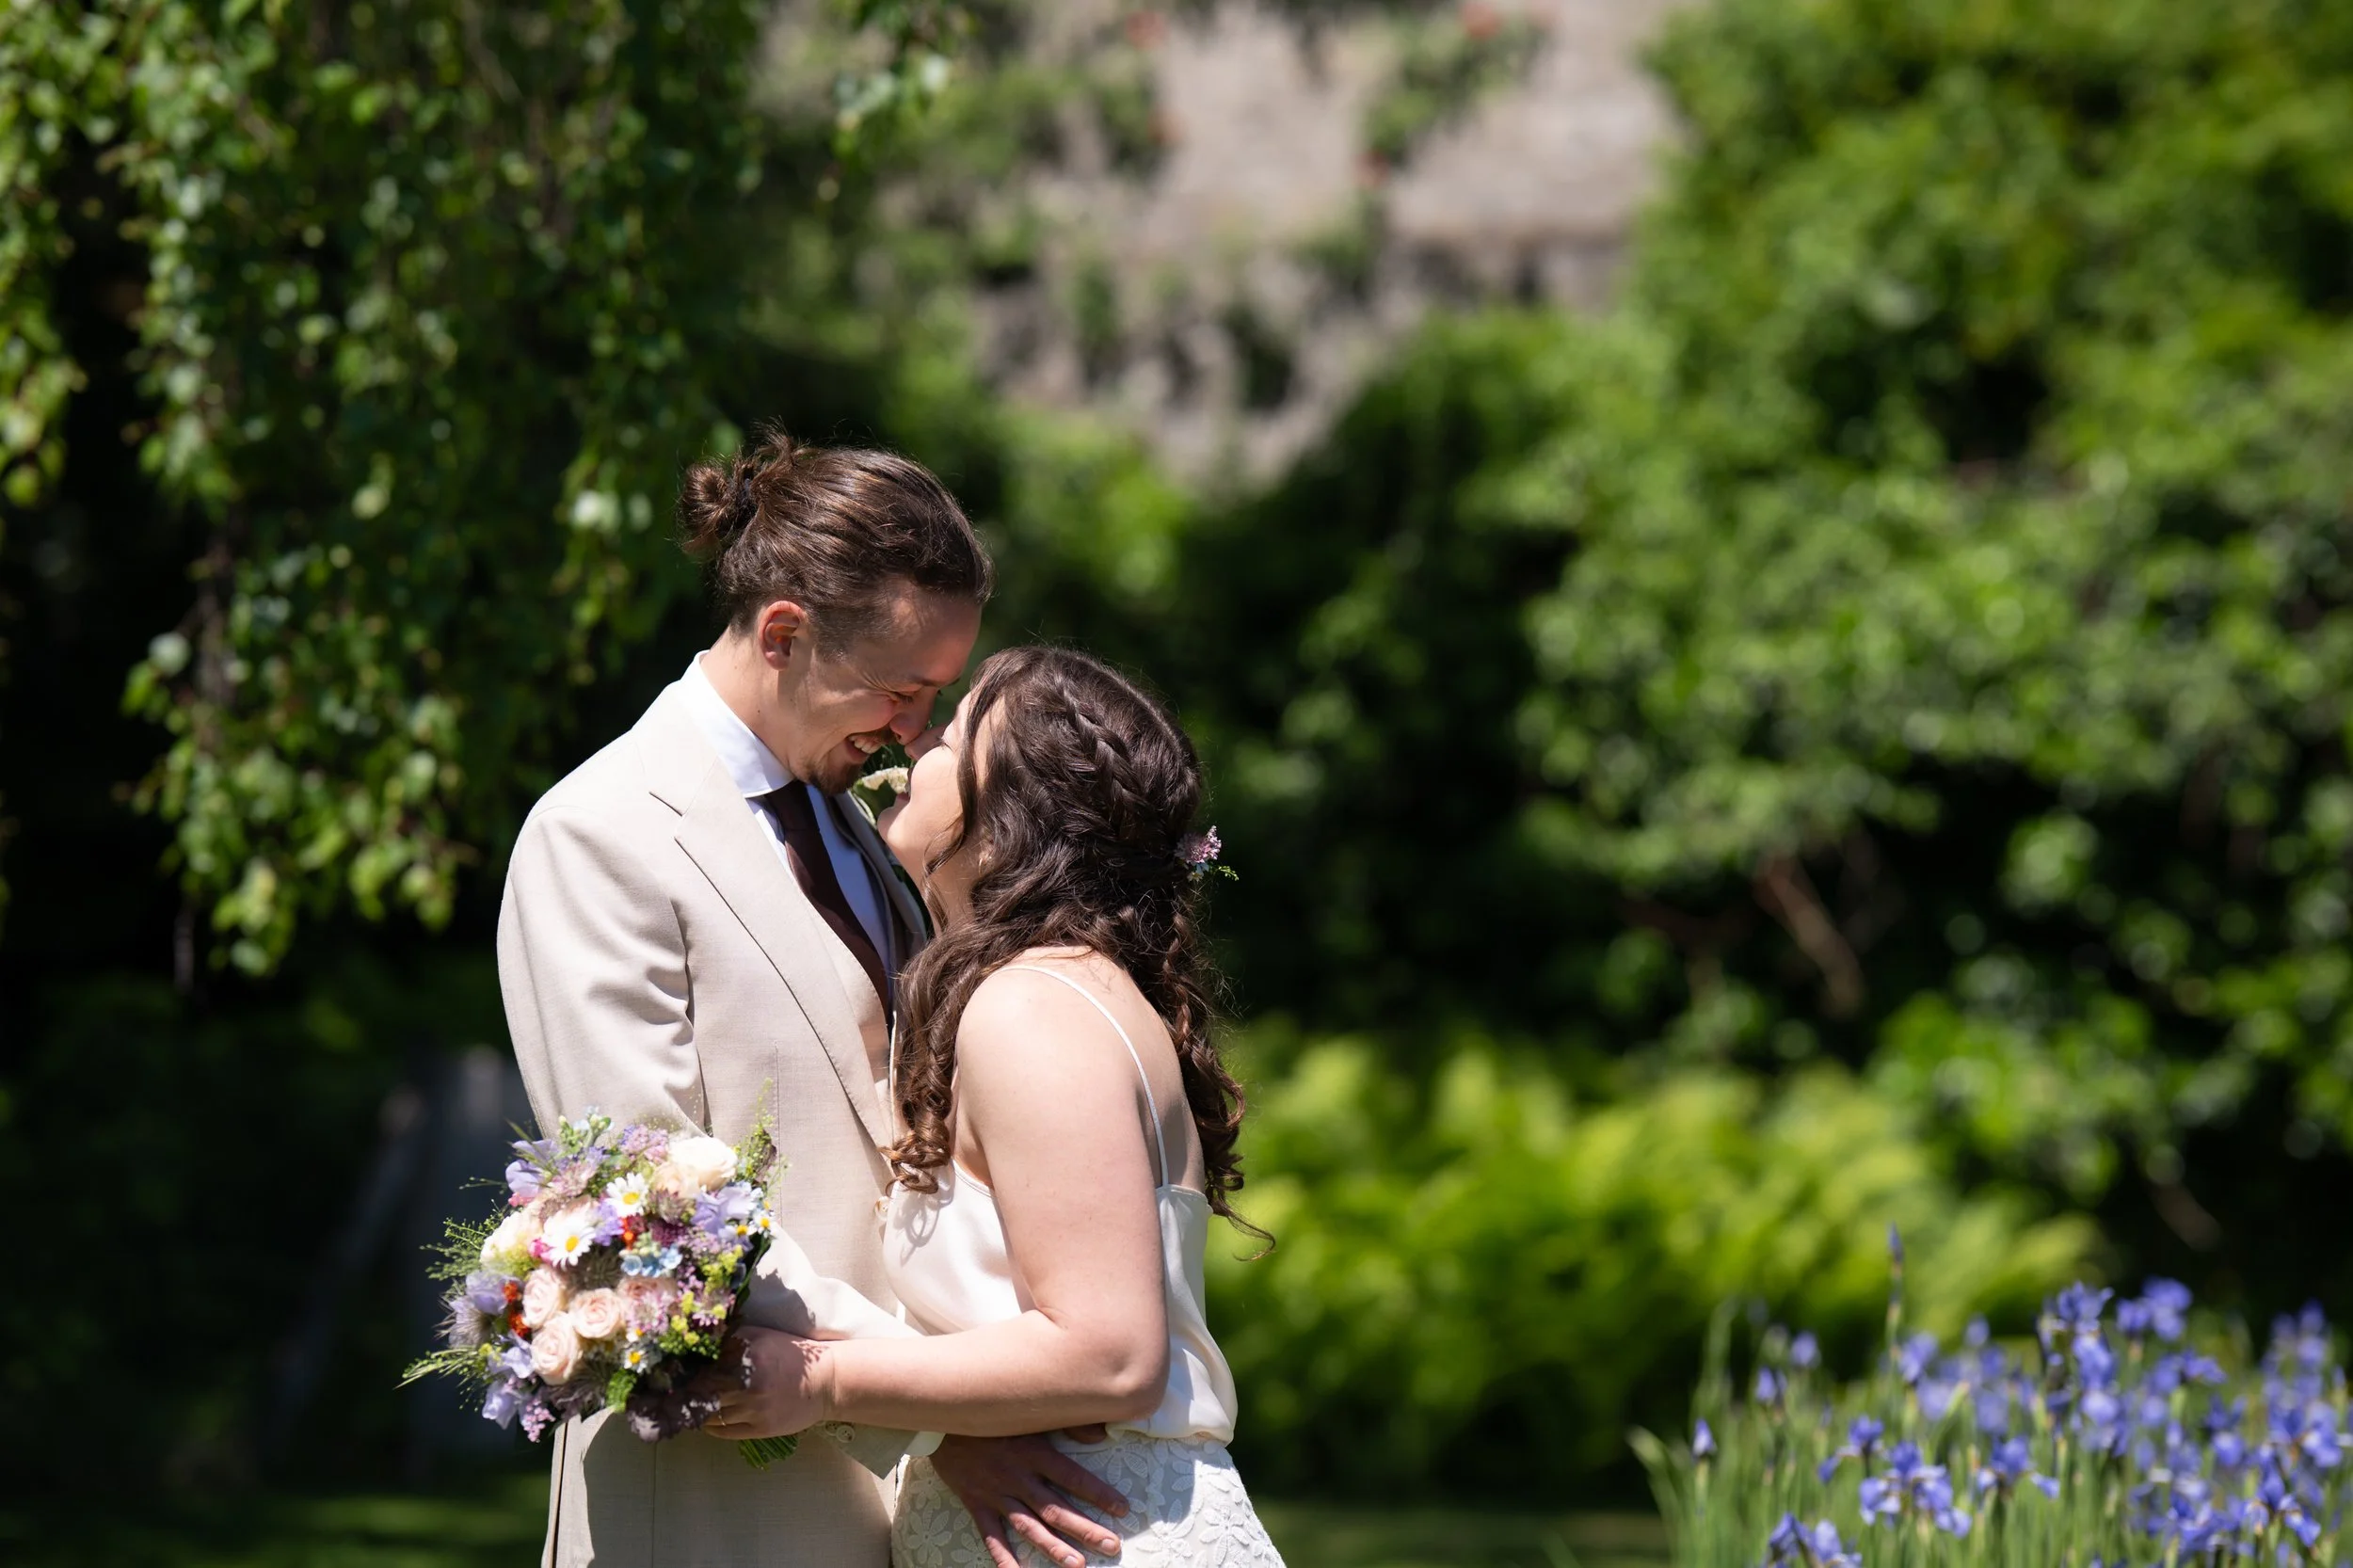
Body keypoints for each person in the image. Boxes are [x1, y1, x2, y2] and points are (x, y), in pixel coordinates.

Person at [500, 436, 1130, 1568]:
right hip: (715, 1502)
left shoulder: (860, 833)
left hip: (908, 1505)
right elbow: (655, 1190)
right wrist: (933, 1417)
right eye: (900, 690)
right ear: (784, 632)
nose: (912, 734)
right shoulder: (599, 833)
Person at [704, 646, 1288, 1568]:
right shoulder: (1043, 992)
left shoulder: (1033, 1007)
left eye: (953, 725)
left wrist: (824, 1380)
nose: (913, 736)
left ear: (1013, 806)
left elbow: (1110, 1354)